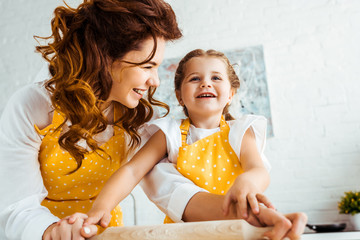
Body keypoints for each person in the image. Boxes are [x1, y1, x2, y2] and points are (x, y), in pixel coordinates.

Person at [67, 49, 307, 239]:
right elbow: (133, 170)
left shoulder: (241, 131)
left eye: (215, 77)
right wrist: (102, 206)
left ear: (231, 93)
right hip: (184, 234)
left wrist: (247, 181)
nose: (206, 83)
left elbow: (258, 170)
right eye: (195, 79)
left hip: (234, 228)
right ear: (180, 95)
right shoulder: (169, 133)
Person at [0, 0, 182, 239]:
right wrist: (55, 231)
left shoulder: (139, 118)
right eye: (147, 66)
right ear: (105, 58)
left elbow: (169, 185)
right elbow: (16, 207)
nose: (155, 81)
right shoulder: (32, 106)